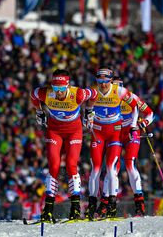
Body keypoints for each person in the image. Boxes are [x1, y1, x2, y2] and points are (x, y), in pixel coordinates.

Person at [30, 69, 97, 222]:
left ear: (67, 86)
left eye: (61, 89)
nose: (58, 92)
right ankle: (48, 209)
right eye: (55, 88)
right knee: (54, 166)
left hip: (74, 131)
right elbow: (33, 95)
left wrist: (89, 111)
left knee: (71, 165)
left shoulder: (77, 94)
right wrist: (39, 111)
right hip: (54, 131)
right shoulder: (45, 93)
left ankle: (75, 208)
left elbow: (94, 94)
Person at [86, 68, 153, 220]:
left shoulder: (126, 95)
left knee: (129, 164)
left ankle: (139, 205)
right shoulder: (102, 95)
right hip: (112, 132)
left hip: (128, 132)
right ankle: (105, 203)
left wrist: (140, 124)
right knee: (112, 168)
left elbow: (147, 112)